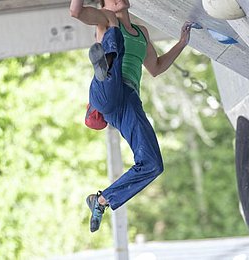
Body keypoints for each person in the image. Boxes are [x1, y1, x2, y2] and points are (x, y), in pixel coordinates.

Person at [70, 0, 192, 232]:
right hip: (106, 93)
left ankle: (102, 200)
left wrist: (182, 43)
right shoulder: (103, 19)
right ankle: (105, 67)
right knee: (112, 28)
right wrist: (110, 22)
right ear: (104, 3)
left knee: (153, 164)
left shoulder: (141, 32)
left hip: (127, 103)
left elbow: (155, 67)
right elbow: (75, 12)